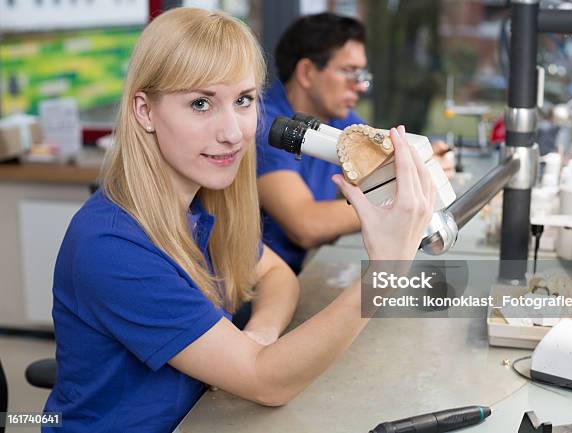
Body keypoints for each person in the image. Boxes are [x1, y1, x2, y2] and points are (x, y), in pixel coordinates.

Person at [43, 8, 435, 433]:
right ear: (144, 111)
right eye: (200, 103)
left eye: (243, 100)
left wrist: (260, 335)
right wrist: (384, 273)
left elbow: (277, 276)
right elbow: (264, 381)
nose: (233, 132)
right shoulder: (112, 245)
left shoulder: (200, 204)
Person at [257, 13, 453, 274]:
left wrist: (418, 165)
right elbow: (306, 225)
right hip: (265, 284)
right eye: (349, 72)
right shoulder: (265, 127)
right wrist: (399, 202)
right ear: (306, 72)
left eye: (362, 74)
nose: (360, 87)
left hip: (310, 265)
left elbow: (372, 172)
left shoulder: (342, 120)